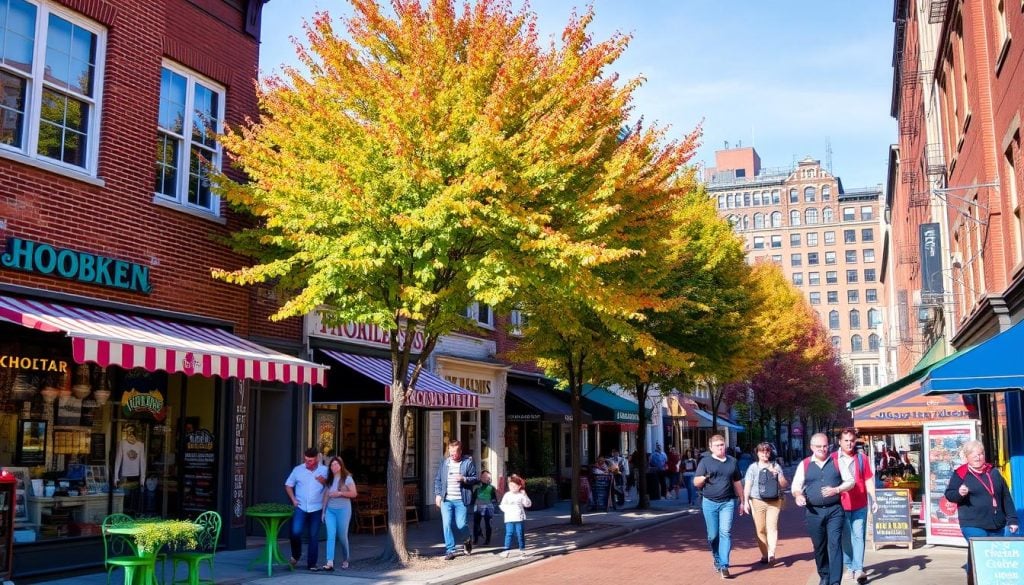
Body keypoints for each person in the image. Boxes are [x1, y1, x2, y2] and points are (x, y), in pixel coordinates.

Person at [943, 440, 1019, 580]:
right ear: (967, 457)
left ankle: (978, 577)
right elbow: (950, 495)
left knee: (995, 558)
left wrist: (1012, 519)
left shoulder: (994, 472)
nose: (978, 457)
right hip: (972, 523)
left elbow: (1005, 497)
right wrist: (960, 493)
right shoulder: (960, 474)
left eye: (981, 453)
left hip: (997, 523)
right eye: (974, 454)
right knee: (982, 551)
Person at [792, 433, 854, 585]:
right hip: (814, 512)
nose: (822, 449)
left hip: (835, 511)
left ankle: (835, 581)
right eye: (819, 446)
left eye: (825, 446)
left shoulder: (837, 462)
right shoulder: (805, 464)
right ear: (812, 447)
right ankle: (824, 575)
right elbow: (796, 486)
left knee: (834, 544)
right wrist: (798, 496)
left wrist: (837, 490)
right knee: (819, 546)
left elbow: (850, 481)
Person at [694, 434, 745, 579]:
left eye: (722, 445)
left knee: (725, 532)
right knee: (713, 535)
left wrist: (742, 500)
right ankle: (716, 557)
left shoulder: (732, 461)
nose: (720, 448)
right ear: (711, 447)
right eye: (717, 445)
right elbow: (696, 482)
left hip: (727, 502)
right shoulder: (705, 462)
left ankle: (724, 565)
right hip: (709, 502)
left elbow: (737, 482)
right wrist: (704, 478)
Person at [836, 428, 877, 584]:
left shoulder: (862, 459)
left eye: (852, 440)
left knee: (859, 535)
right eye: (846, 440)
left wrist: (874, 499)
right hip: (841, 505)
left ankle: (858, 568)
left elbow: (868, 480)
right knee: (846, 538)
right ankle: (849, 566)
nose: (849, 443)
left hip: (860, 504)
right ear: (840, 441)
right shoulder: (833, 459)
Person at [742, 442, 789, 567]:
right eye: (762, 451)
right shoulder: (753, 467)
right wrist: (745, 501)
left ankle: (771, 553)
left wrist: (777, 475)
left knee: (772, 527)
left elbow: (784, 485)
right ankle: (764, 553)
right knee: (760, 529)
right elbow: (747, 485)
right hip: (757, 501)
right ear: (757, 453)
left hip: (774, 501)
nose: (765, 453)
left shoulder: (776, 466)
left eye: (767, 451)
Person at [433, 439, 479, 560]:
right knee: (446, 524)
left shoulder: (467, 463)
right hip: (446, 499)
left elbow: (475, 478)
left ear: (460, 451)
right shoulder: (445, 463)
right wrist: (438, 494)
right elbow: (438, 479)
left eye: (455, 452)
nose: (452, 454)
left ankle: (467, 539)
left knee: (460, 524)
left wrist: (464, 479)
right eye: (451, 452)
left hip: (460, 500)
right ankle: (450, 550)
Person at [284, 447, 328, 571]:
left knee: (314, 536)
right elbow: (288, 485)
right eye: (306, 460)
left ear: (317, 458)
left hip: (317, 508)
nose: (308, 463)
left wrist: (324, 481)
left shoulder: (324, 470)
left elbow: (331, 486)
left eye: (311, 461)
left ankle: (312, 564)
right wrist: (293, 499)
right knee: (295, 532)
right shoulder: (298, 470)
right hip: (301, 507)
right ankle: (296, 555)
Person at [320, 456, 357, 571]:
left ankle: (346, 558)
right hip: (330, 510)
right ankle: (329, 562)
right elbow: (326, 495)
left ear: (341, 466)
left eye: (336, 464)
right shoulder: (330, 479)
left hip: (343, 510)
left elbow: (354, 494)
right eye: (332, 465)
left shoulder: (347, 478)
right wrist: (323, 511)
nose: (334, 466)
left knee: (342, 536)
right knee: (330, 535)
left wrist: (340, 493)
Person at [498, 474, 532, 558]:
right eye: (511, 485)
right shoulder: (507, 495)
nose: (512, 487)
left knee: (519, 534)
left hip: (519, 518)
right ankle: (506, 550)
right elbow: (502, 505)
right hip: (509, 518)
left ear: (519, 486)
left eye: (515, 485)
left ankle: (522, 550)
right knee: (509, 533)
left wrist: (525, 495)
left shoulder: (521, 495)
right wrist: (507, 510)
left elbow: (528, 504)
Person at [472, 470, 498, 546]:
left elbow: (494, 499)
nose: (486, 478)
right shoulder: (476, 486)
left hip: (488, 507)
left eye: (488, 477)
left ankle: (487, 540)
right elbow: (473, 497)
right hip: (478, 506)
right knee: (476, 524)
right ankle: (475, 539)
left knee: (488, 524)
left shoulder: (492, 487)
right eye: (484, 477)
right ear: (481, 477)